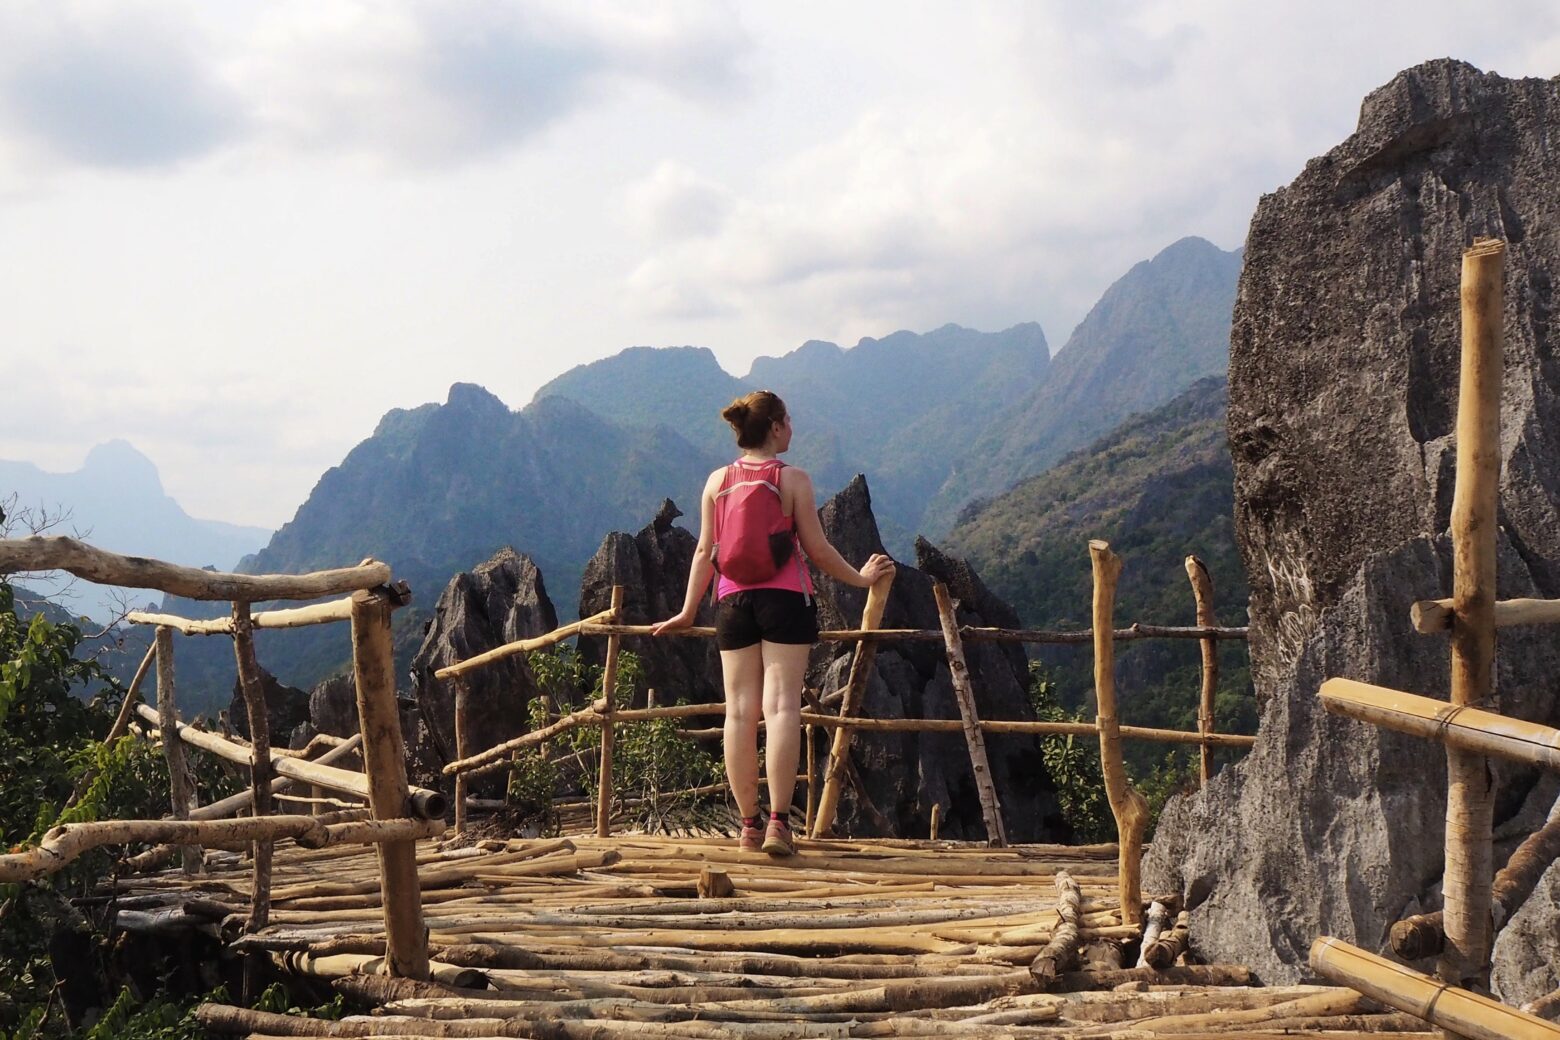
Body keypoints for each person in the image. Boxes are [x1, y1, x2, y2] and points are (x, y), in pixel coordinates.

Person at [653, 390, 894, 856]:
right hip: (785, 600)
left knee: (739, 712)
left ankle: (747, 825)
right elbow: (818, 551)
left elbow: (705, 551)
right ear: (777, 426)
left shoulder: (717, 481)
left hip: (732, 602)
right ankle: (779, 825)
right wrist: (862, 580)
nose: (793, 428)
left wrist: (686, 611)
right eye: (789, 420)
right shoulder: (793, 481)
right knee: (782, 708)